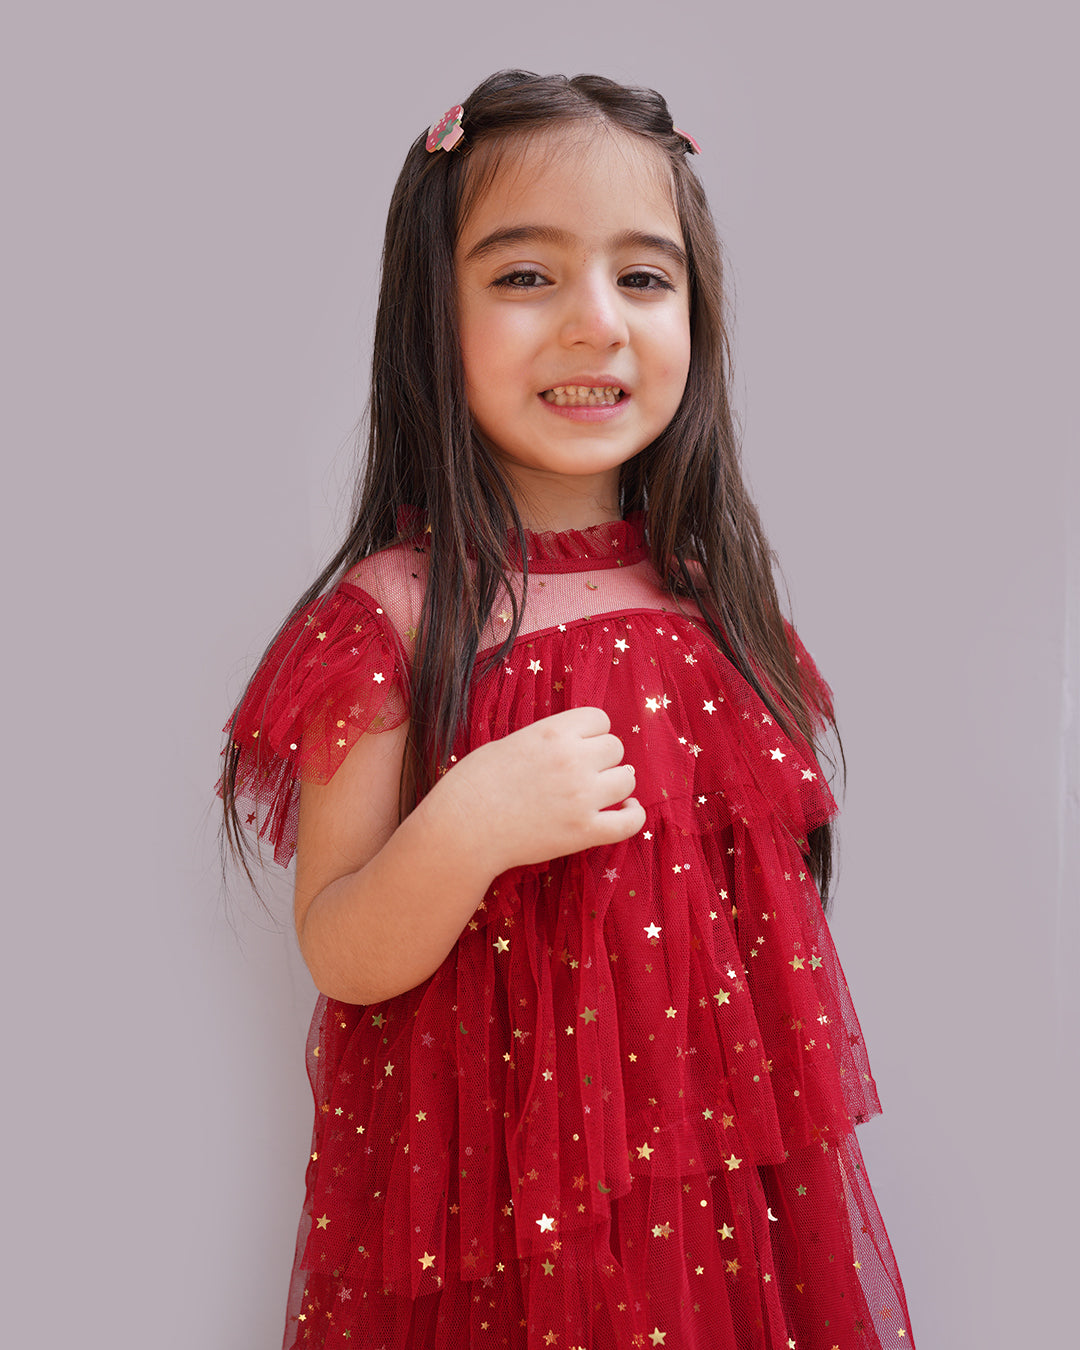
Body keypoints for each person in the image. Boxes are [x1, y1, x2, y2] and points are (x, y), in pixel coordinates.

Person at [221, 69, 916, 1350]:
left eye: (643, 278)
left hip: (710, 1215)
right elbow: (339, 950)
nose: (596, 324)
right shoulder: (395, 619)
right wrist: (466, 828)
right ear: (431, 313)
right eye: (527, 276)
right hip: (494, 1219)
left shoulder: (713, 605)